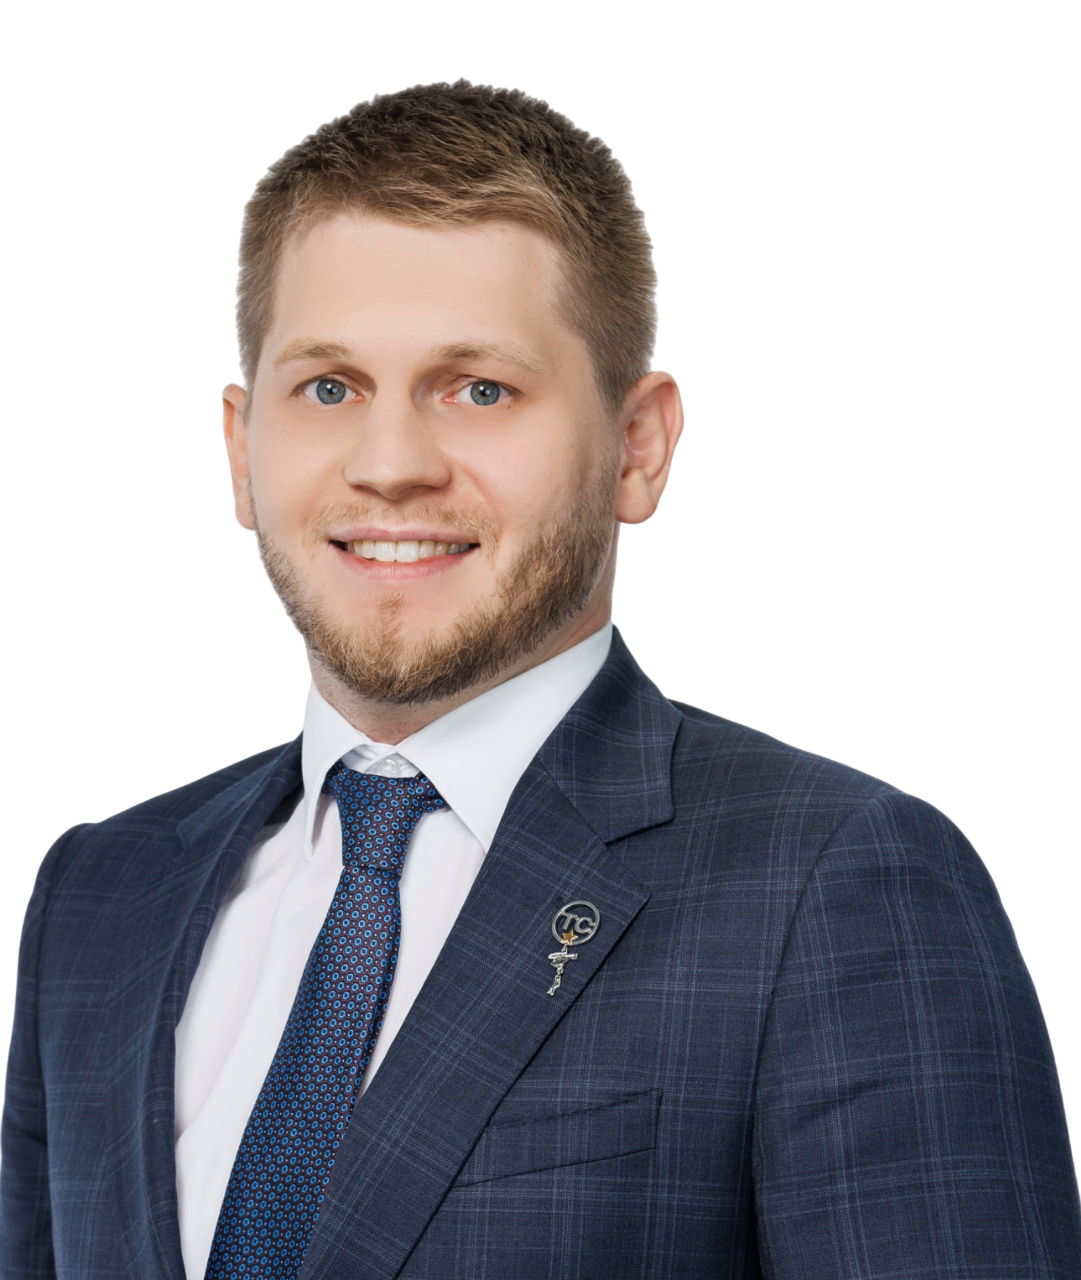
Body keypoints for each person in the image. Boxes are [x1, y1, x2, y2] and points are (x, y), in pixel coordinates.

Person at [2, 80, 1077, 1280]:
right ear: (239, 452)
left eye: (479, 388)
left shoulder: (836, 878)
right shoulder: (100, 895)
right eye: (329, 387)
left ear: (638, 445)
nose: (390, 465)